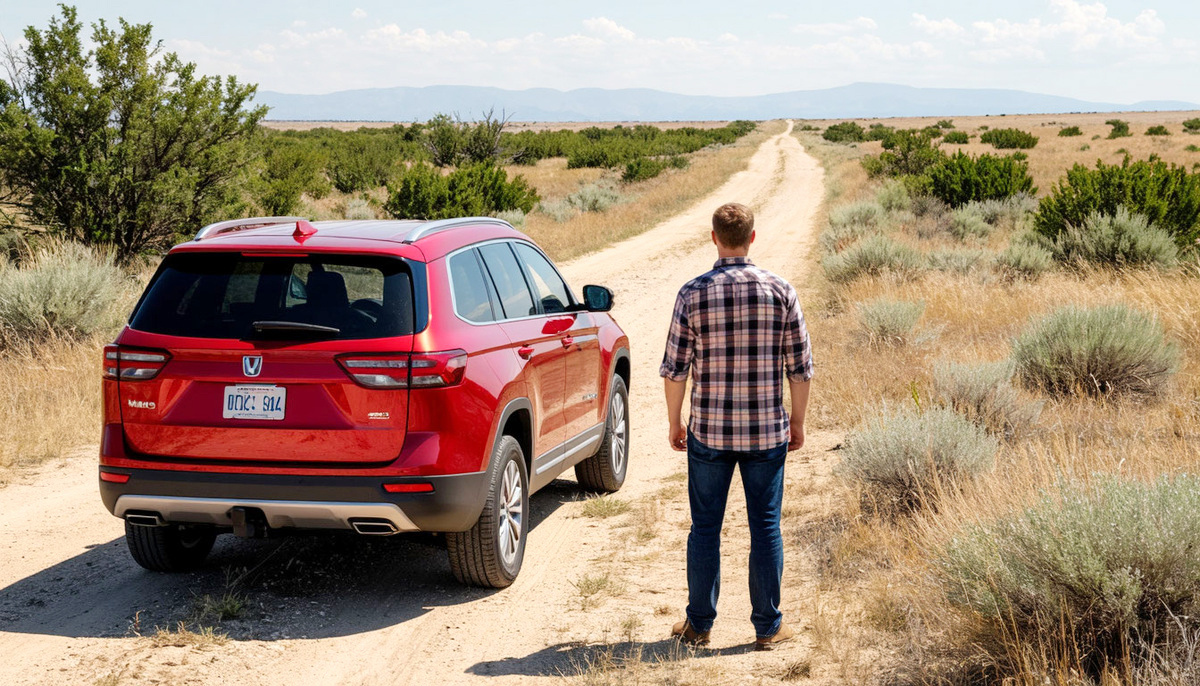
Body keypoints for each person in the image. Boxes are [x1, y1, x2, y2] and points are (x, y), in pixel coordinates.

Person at [659, 202, 813, 651]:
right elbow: (800, 368)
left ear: (714, 238)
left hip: (709, 432)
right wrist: (797, 422)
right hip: (767, 432)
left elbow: (675, 369)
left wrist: (675, 421)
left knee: (705, 528)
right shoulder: (780, 290)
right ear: (752, 237)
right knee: (765, 527)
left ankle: (698, 625)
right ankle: (768, 628)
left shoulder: (692, 294)